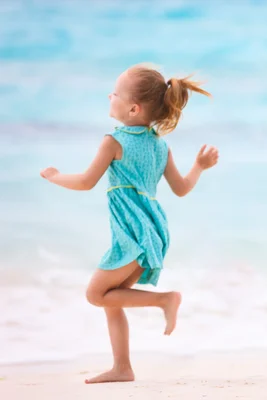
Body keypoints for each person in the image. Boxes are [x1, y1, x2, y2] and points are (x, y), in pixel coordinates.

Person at [40, 65, 219, 384]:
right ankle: (122, 367)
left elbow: (84, 181)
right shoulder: (160, 145)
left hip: (133, 234)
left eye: (116, 93)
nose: (110, 95)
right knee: (113, 299)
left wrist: (54, 177)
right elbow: (181, 189)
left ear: (133, 108)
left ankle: (164, 299)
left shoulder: (114, 141)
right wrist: (199, 167)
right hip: (153, 231)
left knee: (96, 295)